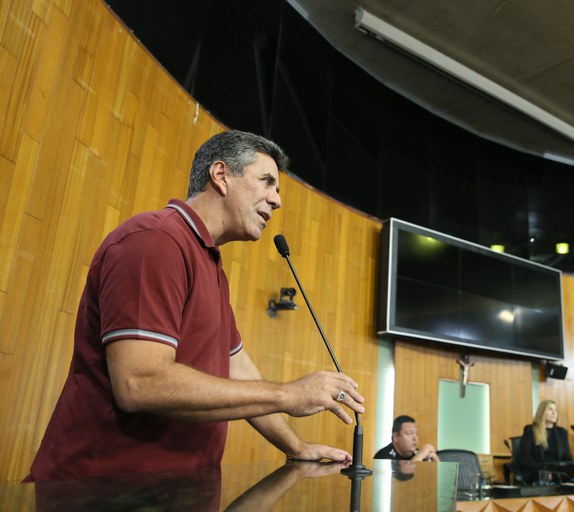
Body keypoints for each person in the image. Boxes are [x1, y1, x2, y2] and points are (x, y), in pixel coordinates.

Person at [27, 130, 365, 481]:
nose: (277, 200)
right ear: (220, 175)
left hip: (173, 491)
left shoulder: (211, 265)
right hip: (99, 490)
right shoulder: (155, 240)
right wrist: (288, 394)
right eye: (267, 182)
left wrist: (296, 447)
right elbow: (139, 382)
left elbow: (237, 368)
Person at [518, 400, 573, 483]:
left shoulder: (562, 432)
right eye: (550, 409)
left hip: (557, 473)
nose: (554, 413)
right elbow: (525, 458)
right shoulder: (531, 430)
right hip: (537, 472)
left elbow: (568, 458)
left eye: (556, 410)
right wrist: (544, 471)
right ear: (542, 412)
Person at [374, 415, 439, 461]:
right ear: (396, 437)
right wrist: (421, 454)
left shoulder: (417, 454)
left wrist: (435, 460)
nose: (415, 438)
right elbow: (406, 474)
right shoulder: (383, 457)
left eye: (416, 433)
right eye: (410, 433)